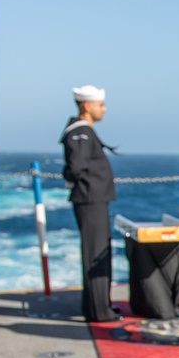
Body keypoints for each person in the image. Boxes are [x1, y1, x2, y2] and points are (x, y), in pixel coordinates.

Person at [61, 84, 119, 323]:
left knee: (96, 251)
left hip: (93, 199)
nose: (104, 109)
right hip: (90, 199)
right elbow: (75, 167)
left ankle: (97, 306)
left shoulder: (83, 131)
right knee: (95, 253)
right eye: (100, 105)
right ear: (87, 106)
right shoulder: (80, 132)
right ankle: (99, 311)